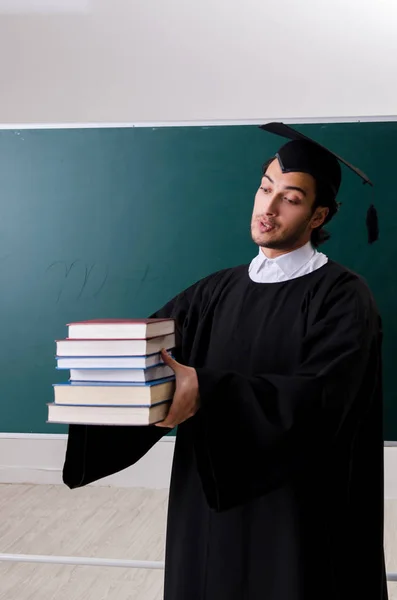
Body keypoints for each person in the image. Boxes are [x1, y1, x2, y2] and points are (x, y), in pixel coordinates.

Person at [63, 123, 388, 600]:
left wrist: (206, 389)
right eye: (264, 188)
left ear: (319, 215)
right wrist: (100, 371)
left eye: (291, 198)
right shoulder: (215, 291)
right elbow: (151, 354)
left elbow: (322, 399)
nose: (269, 207)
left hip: (296, 504)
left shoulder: (342, 297)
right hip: (207, 499)